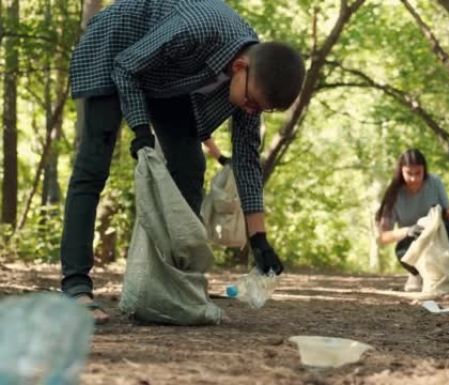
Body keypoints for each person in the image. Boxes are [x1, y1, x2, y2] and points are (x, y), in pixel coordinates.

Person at [61, 0, 305, 324]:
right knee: (94, 164)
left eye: (259, 109)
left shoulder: (253, 82)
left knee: (189, 166)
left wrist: (259, 238)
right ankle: (76, 288)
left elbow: (246, 160)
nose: (250, 110)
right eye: (249, 102)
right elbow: (126, 66)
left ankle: (178, 288)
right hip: (115, 49)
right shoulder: (197, 30)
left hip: (166, 76)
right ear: (239, 67)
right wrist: (140, 131)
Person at [376, 149, 449, 292]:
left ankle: (440, 274)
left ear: (424, 171)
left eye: (418, 173)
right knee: (402, 249)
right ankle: (416, 274)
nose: (414, 179)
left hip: (435, 239)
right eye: (409, 173)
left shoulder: (435, 182)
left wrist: (441, 213)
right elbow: (382, 237)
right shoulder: (394, 193)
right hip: (411, 242)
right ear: (401, 171)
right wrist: (408, 230)